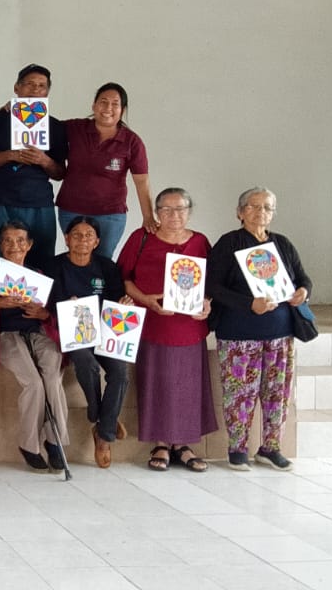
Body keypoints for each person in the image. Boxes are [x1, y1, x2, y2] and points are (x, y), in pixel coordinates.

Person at [207, 187, 312, 471]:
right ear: (240, 212)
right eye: (253, 206)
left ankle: (270, 447)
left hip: (280, 334)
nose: (260, 212)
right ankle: (237, 448)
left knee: (277, 394)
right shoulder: (229, 243)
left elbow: (303, 278)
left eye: (267, 207)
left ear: (273, 213)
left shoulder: (282, 244)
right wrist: (248, 303)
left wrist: (303, 291)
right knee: (239, 394)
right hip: (239, 334)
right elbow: (212, 286)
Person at [117, 187, 215, 472]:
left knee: (188, 386)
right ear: (157, 213)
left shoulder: (200, 242)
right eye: (167, 209)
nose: (174, 215)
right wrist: (146, 300)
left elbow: (212, 282)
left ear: (189, 212)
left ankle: (183, 445)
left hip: (189, 326)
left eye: (181, 208)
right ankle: (160, 444)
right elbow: (123, 278)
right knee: (156, 385)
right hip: (153, 323)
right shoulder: (141, 238)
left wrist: (208, 303)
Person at [44, 216, 128, 468]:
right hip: (73, 331)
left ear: (97, 242)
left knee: (120, 372)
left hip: (105, 331)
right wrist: (64, 305)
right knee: (85, 361)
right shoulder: (54, 266)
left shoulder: (107, 267)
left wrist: (123, 305)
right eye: (76, 235)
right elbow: (47, 302)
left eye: (88, 235)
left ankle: (103, 431)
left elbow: (116, 301)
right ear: (66, 239)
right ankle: (102, 421)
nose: (82, 240)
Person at [0, 221, 68, 472]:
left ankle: (55, 442)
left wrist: (43, 314)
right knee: (33, 382)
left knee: (52, 379)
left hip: (39, 332)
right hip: (7, 334)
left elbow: (52, 312)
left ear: (30, 245)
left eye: (21, 240)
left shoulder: (38, 275)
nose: (15, 246)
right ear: (0, 244)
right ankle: (29, 444)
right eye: (8, 240)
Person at [0, 63, 68, 269]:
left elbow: (60, 172)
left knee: (41, 264)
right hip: (0, 200)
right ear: (16, 88)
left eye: (41, 86)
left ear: (47, 93)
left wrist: (43, 160)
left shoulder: (54, 126)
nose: (35, 90)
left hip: (39, 203)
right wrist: (9, 155)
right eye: (29, 84)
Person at [56, 82, 155, 258]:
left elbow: (142, 182)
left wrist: (148, 217)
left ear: (122, 110)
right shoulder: (75, 128)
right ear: (94, 105)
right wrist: (16, 110)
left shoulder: (132, 141)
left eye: (115, 104)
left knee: (102, 262)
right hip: (71, 210)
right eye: (103, 102)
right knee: (76, 258)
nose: (108, 108)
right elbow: (43, 126)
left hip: (110, 215)